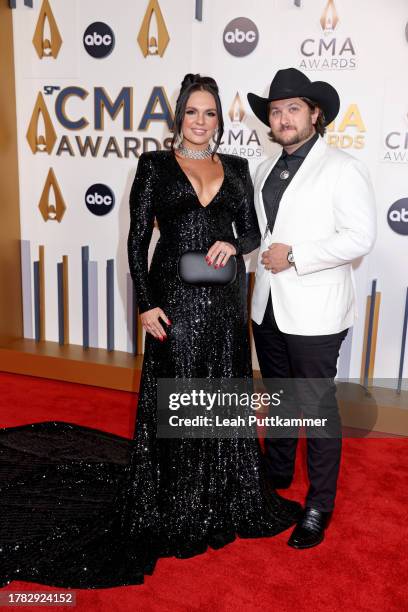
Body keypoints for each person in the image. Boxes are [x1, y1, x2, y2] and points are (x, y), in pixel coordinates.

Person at [0, 74, 301, 590]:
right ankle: (179, 498)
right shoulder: (155, 166)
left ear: (219, 120)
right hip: (175, 304)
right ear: (178, 116)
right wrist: (145, 304)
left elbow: (251, 231)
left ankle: (223, 492)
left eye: (210, 113)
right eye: (192, 112)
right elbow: (136, 240)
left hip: (227, 305)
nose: (202, 122)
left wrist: (234, 244)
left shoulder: (237, 167)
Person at [247, 68, 376, 549]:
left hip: (317, 311)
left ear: (315, 115)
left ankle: (319, 505)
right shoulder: (262, 170)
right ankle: (277, 475)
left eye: (293, 108)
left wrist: (297, 254)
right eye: (276, 111)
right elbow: (258, 237)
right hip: (268, 307)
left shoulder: (342, 167)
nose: (283, 118)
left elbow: (360, 238)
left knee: (318, 410)